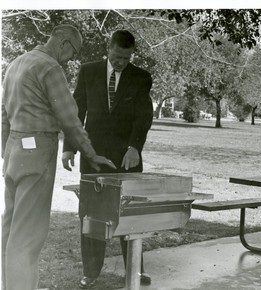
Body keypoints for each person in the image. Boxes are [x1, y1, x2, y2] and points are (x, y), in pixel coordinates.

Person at [1, 24, 116, 290]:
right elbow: (70, 119)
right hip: (37, 151)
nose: (71, 58)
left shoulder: (16, 64)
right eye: (73, 52)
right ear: (63, 43)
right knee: (27, 238)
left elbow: (3, 116)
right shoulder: (50, 68)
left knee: (10, 233)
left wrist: (7, 153)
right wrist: (91, 153)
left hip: (13, 153)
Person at [62, 30, 154, 289]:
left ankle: (136, 270)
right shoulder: (88, 71)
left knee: (130, 215)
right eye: (116, 56)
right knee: (92, 216)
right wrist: (69, 147)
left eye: (126, 58)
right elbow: (76, 111)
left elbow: (143, 116)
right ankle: (91, 273)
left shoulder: (141, 78)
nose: (121, 62)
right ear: (108, 48)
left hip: (128, 158)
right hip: (93, 156)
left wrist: (135, 146)